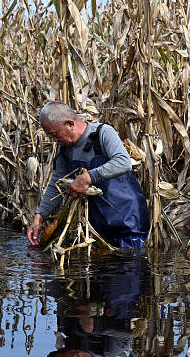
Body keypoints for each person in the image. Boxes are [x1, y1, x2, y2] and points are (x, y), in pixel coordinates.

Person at [26, 101, 150, 250]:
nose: (53, 140)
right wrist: (39, 217)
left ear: (70, 124)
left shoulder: (102, 133)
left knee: (131, 263)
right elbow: (56, 183)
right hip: (98, 227)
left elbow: (123, 162)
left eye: (54, 134)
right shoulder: (64, 150)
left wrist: (87, 178)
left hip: (128, 219)